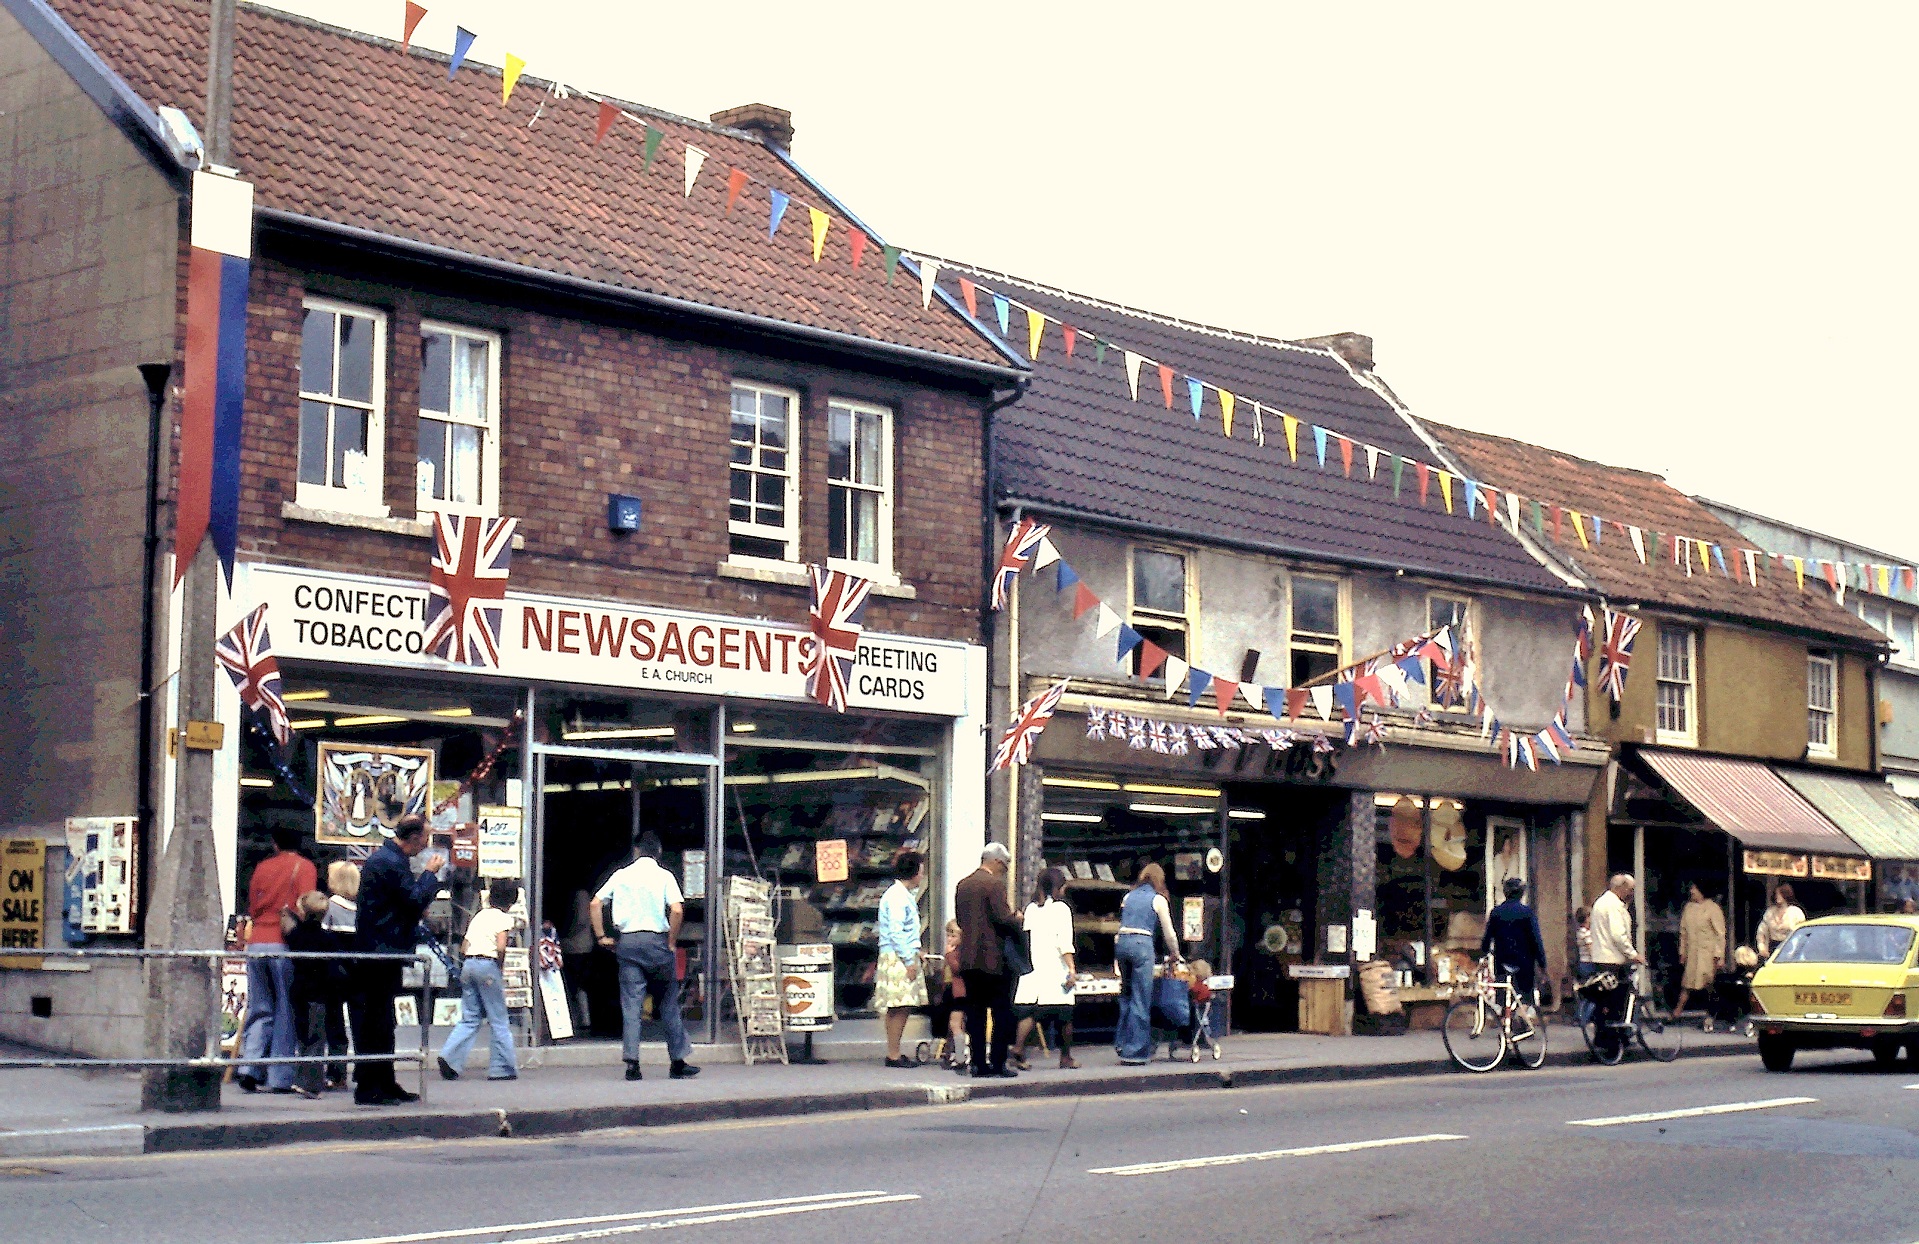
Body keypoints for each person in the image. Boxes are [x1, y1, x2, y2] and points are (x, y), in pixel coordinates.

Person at [351, 814, 446, 1106]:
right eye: (426, 838)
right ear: (414, 837)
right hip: (379, 950)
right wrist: (430, 875)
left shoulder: (392, 861)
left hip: (384, 948)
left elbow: (404, 903)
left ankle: (384, 1080)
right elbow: (414, 899)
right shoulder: (389, 862)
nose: (428, 845)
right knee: (375, 1020)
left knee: (383, 1019)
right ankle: (370, 1085)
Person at [591, 831, 699, 1082]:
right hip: (657, 943)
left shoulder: (621, 875)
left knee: (631, 1004)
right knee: (668, 1002)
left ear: (636, 851)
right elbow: (676, 909)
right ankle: (678, 1062)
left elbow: (595, 903)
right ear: (658, 852)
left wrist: (601, 937)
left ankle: (632, 1064)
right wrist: (671, 941)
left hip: (628, 943)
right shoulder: (664, 876)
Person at [238, 825, 316, 1094]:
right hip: (284, 942)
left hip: (257, 939)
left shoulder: (261, 868)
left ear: (274, 843)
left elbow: (253, 906)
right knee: (286, 1009)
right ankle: (279, 1075)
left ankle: (250, 1066)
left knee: (259, 1007)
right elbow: (305, 906)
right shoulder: (304, 867)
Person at [952, 843, 1024, 1078]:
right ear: (995, 862)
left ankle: (977, 1063)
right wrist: (1017, 918)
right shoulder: (993, 884)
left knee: (976, 1013)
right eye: (1004, 865)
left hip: (969, 958)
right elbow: (1002, 918)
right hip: (993, 959)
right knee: (1001, 1011)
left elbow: (962, 921)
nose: (1004, 870)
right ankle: (999, 1062)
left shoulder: (963, 885)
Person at [438, 878, 521, 1082]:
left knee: (470, 1017)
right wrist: (499, 967)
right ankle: (501, 1067)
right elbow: (501, 947)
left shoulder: (479, 915)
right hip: (488, 965)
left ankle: (450, 1056)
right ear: (511, 901)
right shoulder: (503, 918)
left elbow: (465, 946)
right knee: (499, 1019)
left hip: (469, 964)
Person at [1115, 861, 1183, 1065]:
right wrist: (1176, 953)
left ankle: (1121, 1043)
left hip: (1122, 943)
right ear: (1159, 880)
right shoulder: (1158, 900)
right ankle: (1136, 1051)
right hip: (1141, 945)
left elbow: (1123, 924)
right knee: (1141, 998)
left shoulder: (1128, 896)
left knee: (1126, 996)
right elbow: (1169, 933)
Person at [1012, 867, 1078, 1071]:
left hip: (1033, 967)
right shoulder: (1061, 909)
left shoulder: (1031, 908)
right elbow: (1064, 941)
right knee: (1065, 1014)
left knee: (1030, 1011)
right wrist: (1071, 968)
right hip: (1054, 966)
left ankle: (1019, 1049)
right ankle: (1066, 1057)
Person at [284, 890, 346, 1100]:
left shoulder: (296, 935)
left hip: (299, 990)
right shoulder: (328, 938)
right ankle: (311, 1082)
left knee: (302, 1037)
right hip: (319, 993)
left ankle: (301, 1077)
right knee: (316, 1037)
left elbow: (289, 930)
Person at [875, 850, 928, 1069]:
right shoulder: (898, 897)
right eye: (921, 872)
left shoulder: (900, 894)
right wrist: (909, 960)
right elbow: (896, 932)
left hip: (900, 953)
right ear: (914, 873)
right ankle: (893, 1053)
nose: (922, 876)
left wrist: (917, 950)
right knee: (900, 1005)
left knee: (900, 1006)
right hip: (898, 957)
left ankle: (894, 1050)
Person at [1480, 877, 1548, 1020]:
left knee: (1504, 995)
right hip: (1525, 963)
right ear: (1521, 893)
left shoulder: (1496, 913)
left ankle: (1507, 1024)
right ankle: (1521, 1022)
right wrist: (1542, 963)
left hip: (1502, 962)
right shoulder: (1527, 913)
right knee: (1523, 997)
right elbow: (1536, 940)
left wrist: (1483, 953)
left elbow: (1487, 938)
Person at [1586, 874, 1642, 1043]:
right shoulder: (1614, 906)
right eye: (1630, 889)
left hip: (1601, 958)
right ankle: (1615, 1039)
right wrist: (1632, 954)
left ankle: (1602, 1037)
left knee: (1604, 1002)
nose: (1632, 893)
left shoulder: (1601, 902)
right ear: (1621, 888)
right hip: (1614, 960)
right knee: (1617, 1002)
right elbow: (1619, 935)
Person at [322, 861, 360, 1090]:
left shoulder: (328, 907)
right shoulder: (360, 911)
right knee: (358, 1022)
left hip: (333, 973)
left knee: (334, 1024)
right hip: (357, 972)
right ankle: (362, 1068)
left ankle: (336, 1073)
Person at [1675, 882, 1727, 1016]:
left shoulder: (1713, 908)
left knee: (1708, 984)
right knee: (1687, 983)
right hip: (1692, 952)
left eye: (1694, 888)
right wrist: (1682, 952)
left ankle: (1712, 1014)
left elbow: (1720, 933)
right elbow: (1683, 932)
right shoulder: (1689, 908)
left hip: (1707, 954)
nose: (1691, 891)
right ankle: (1678, 1011)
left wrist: (1719, 955)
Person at [929, 919, 968, 1070]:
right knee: (954, 1025)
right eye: (948, 936)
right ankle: (952, 1053)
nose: (949, 939)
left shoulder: (957, 953)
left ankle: (960, 1057)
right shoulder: (955, 952)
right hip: (952, 990)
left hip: (958, 992)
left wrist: (949, 955)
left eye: (953, 936)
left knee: (955, 1024)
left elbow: (957, 969)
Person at [1755, 883, 1806, 957]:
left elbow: (1802, 934)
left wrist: (1795, 950)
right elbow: (1761, 932)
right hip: (1773, 949)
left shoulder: (1796, 912)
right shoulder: (1770, 912)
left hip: (1792, 949)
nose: (1777, 896)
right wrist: (1762, 948)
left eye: (1780, 894)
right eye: (1776, 894)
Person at [1572, 905, 1595, 1023]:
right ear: (1586, 918)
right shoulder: (1586, 934)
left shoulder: (1580, 932)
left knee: (1586, 994)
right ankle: (1583, 1018)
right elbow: (1591, 950)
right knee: (1592, 995)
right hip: (1588, 964)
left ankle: (1580, 1016)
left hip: (1583, 963)